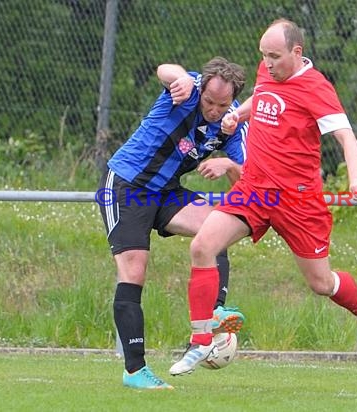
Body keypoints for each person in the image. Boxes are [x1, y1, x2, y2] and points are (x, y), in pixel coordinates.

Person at [169, 19, 357, 376]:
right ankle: (201, 341)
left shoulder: (316, 88)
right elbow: (263, 97)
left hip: (299, 202)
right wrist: (238, 113)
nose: (267, 63)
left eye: (275, 57)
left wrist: (356, 178)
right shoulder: (269, 70)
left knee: (321, 283)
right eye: (263, 56)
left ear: (296, 53)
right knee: (202, 247)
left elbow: (347, 138)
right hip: (254, 189)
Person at [99, 56, 248, 389]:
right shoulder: (189, 89)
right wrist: (179, 77)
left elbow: (246, 180)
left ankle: (215, 313)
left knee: (217, 226)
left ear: (234, 99)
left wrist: (226, 163)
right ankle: (135, 371)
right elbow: (166, 70)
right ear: (202, 90)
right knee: (134, 272)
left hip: (165, 191)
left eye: (221, 104)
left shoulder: (234, 122)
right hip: (128, 185)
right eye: (209, 101)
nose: (213, 109)